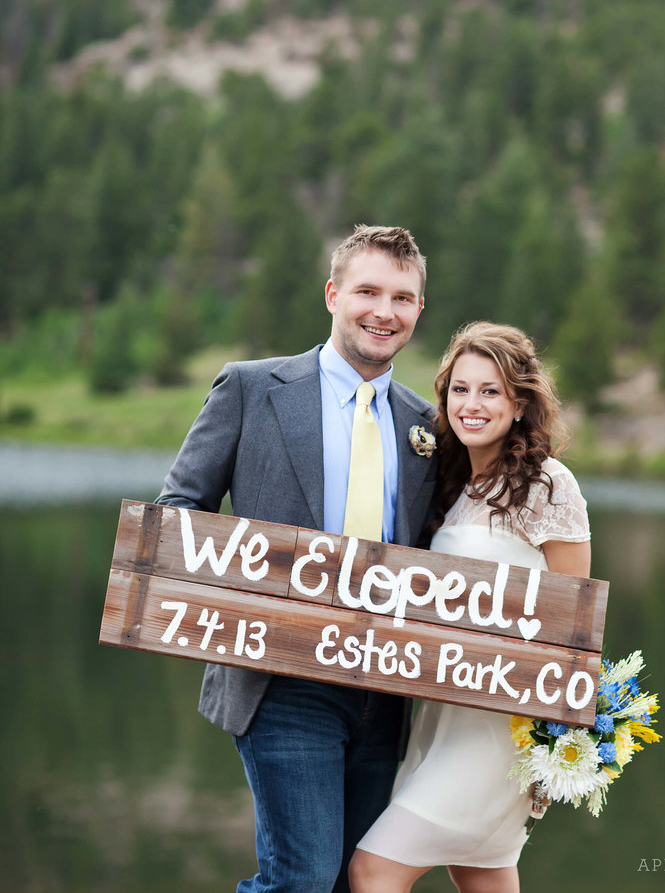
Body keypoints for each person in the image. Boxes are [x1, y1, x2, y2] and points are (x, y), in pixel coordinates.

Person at [155, 225, 437, 893]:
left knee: (352, 882)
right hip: (280, 679)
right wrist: (256, 588)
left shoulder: (429, 426)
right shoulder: (251, 388)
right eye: (368, 291)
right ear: (333, 294)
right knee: (303, 877)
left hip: (387, 692)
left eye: (402, 297)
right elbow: (178, 508)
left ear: (419, 310)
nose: (384, 311)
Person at [349, 321, 591, 893]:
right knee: (480, 873)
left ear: (520, 402)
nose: (472, 404)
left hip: (499, 730)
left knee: (373, 869)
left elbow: (573, 625)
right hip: (442, 720)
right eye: (460, 389)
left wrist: (558, 741)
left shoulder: (549, 486)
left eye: (490, 390)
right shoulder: (453, 485)